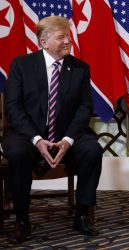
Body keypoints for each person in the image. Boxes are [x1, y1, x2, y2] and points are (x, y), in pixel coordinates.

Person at [3, 16, 103, 243]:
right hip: (27, 135)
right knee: (17, 153)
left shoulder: (79, 68)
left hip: (67, 134)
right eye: (61, 37)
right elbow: (13, 107)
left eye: (68, 36)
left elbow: (84, 108)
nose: (68, 41)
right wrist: (37, 139)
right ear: (43, 42)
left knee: (92, 150)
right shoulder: (21, 65)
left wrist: (68, 139)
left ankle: (81, 214)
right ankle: (21, 219)